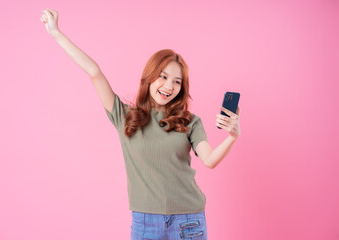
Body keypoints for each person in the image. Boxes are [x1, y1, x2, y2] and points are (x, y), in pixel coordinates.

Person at [40, 8, 241, 240]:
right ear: (150, 76)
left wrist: (232, 137)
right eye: (163, 77)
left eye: (177, 82)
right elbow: (94, 71)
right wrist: (56, 33)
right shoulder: (125, 116)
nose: (169, 86)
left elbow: (210, 160)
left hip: (189, 220)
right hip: (145, 221)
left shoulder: (190, 122)